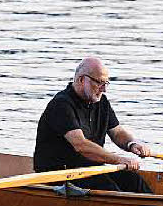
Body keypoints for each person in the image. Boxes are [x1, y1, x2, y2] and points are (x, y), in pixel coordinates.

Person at [33, 56, 153, 193]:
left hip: (89, 170)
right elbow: (81, 145)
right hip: (59, 174)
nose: (104, 89)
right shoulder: (61, 105)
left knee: (133, 180)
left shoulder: (102, 102)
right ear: (81, 80)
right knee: (110, 190)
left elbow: (117, 132)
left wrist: (132, 144)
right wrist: (118, 159)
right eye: (99, 83)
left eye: (106, 83)